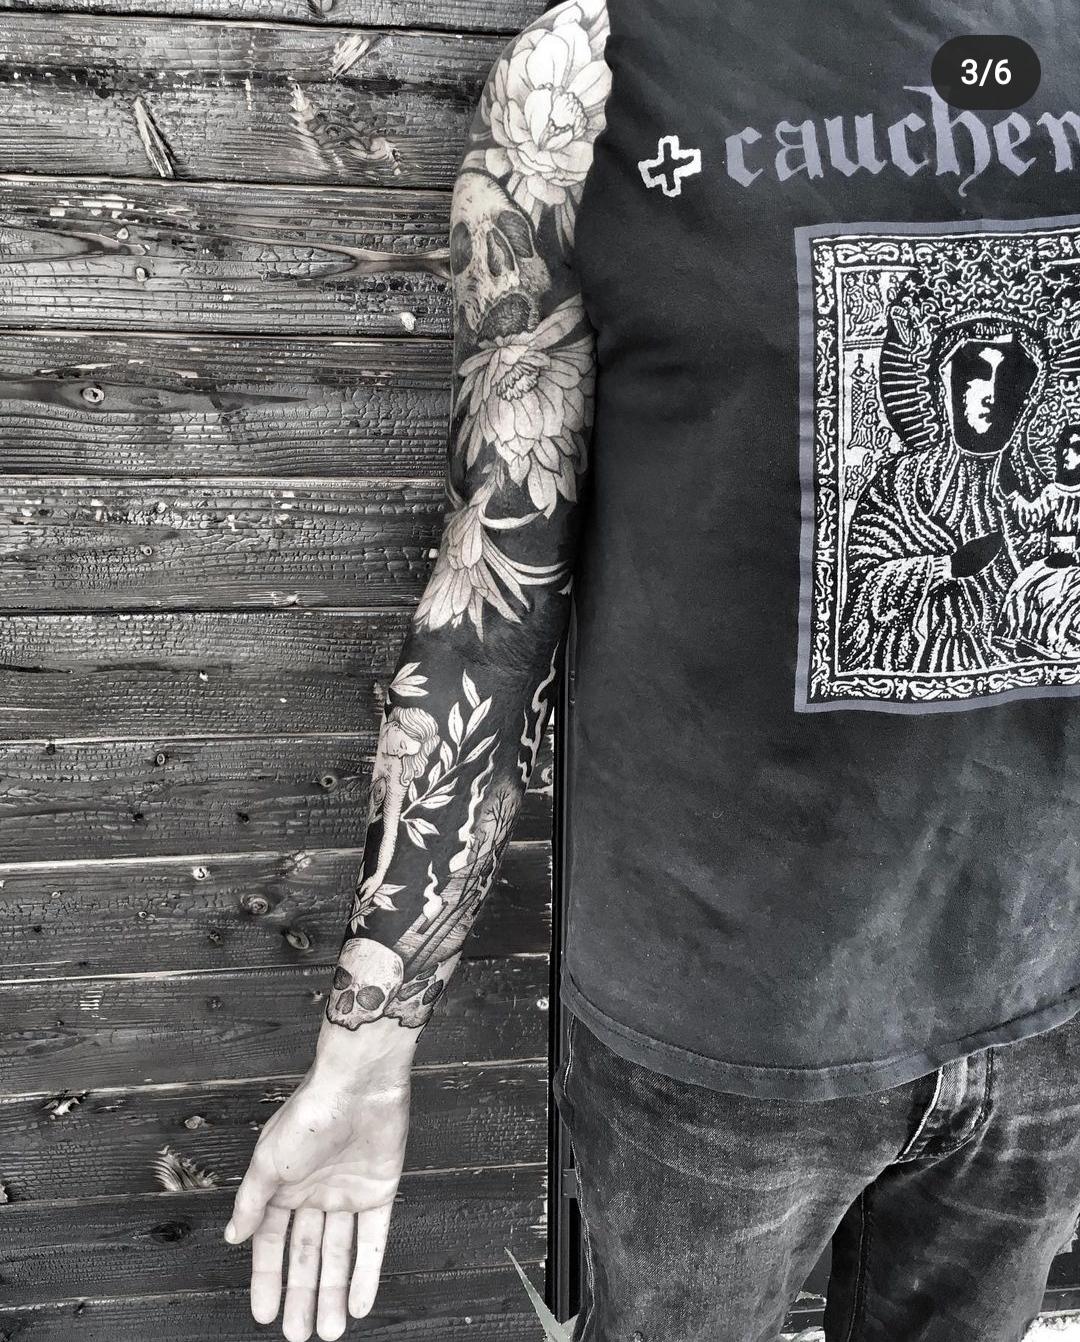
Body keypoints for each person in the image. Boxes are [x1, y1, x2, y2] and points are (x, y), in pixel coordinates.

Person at [226, 2, 1080, 1339]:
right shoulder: (599, 67)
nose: (985, 395)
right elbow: (495, 576)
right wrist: (371, 1034)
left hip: (1048, 1000)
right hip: (711, 1034)